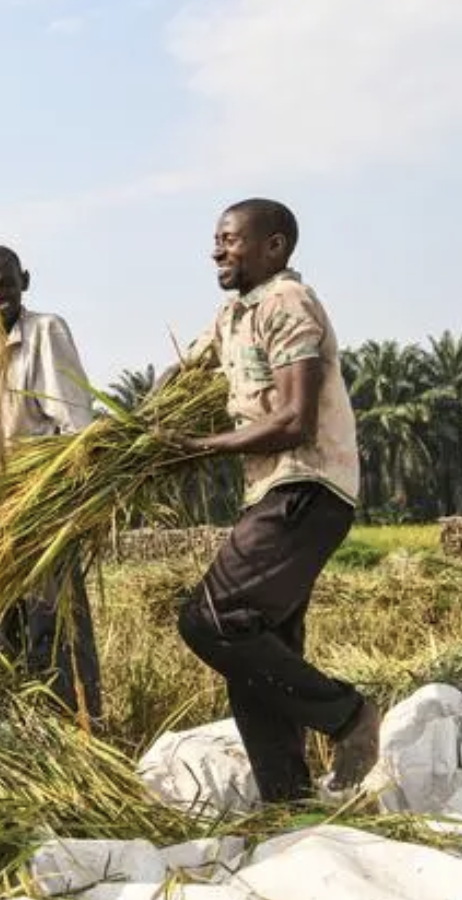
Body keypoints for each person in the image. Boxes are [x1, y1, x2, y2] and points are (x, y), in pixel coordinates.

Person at [168, 198, 379, 802]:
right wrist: (132, 431)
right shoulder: (235, 313)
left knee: (211, 620)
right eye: (216, 238)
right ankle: (289, 802)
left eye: (230, 239)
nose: (217, 250)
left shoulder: (287, 303)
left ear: (275, 246)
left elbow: (294, 420)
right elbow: (184, 370)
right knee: (257, 650)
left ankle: (348, 716)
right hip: (273, 490)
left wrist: (202, 446)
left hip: (306, 484)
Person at [0, 245, 102, 721]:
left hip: (45, 489)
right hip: (0, 498)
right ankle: (8, 725)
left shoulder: (46, 330)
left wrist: (65, 489)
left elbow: (73, 419)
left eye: (5, 282)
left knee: (55, 617)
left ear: (24, 281)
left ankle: (75, 723)